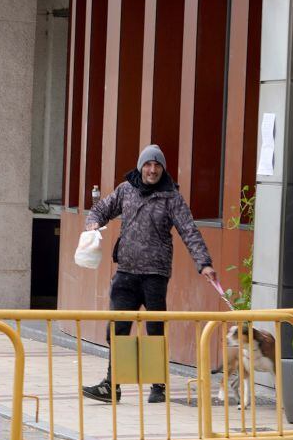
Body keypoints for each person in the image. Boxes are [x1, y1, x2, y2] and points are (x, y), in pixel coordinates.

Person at [81, 144, 216, 404]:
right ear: (140, 166)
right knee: (118, 330)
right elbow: (101, 209)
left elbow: (189, 231)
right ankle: (112, 385)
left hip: (155, 275)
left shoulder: (171, 197)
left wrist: (204, 263)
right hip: (126, 273)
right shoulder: (125, 189)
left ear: (162, 169)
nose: (152, 170)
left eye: (157, 165)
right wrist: (93, 222)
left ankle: (158, 386)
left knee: (155, 330)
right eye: (148, 164)